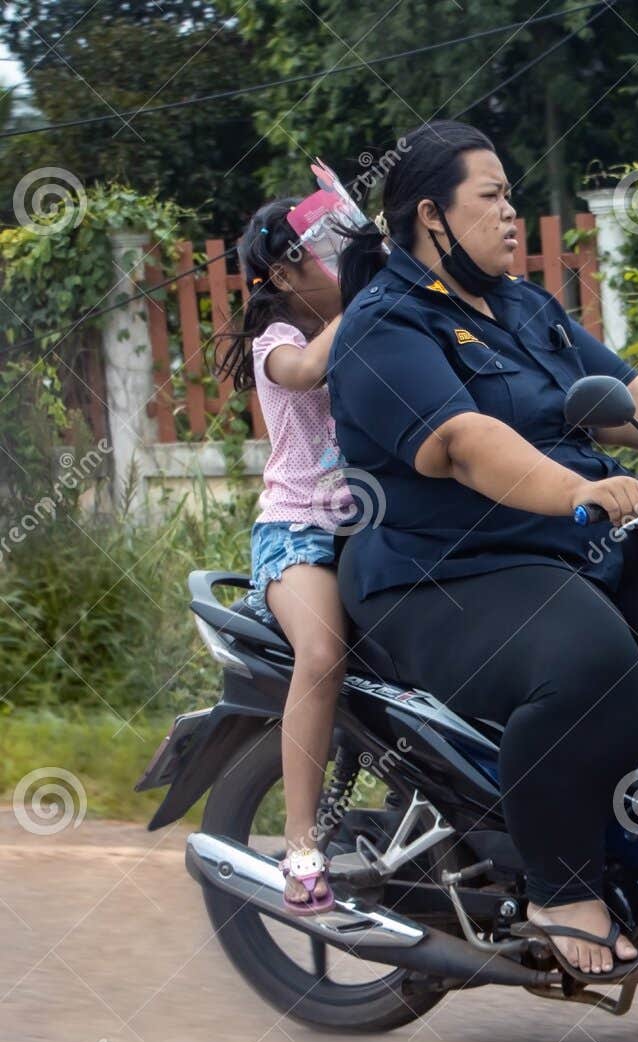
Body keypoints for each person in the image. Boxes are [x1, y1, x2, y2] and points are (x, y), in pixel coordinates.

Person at [329, 120, 638, 979]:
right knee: (592, 668)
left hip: (570, 549)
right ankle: (560, 889)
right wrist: (580, 490)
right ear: (432, 218)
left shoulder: (523, 308)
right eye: (492, 197)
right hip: (443, 572)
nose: (513, 215)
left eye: (511, 197)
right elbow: (465, 443)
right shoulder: (383, 326)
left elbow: (633, 397)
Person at [216, 197, 348, 912]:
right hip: (298, 533)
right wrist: (367, 293)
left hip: (374, 535)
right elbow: (306, 372)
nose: (339, 263)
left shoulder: (364, 318)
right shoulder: (276, 345)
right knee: (322, 654)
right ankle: (300, 846)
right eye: (327, 251)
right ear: (286, 272)